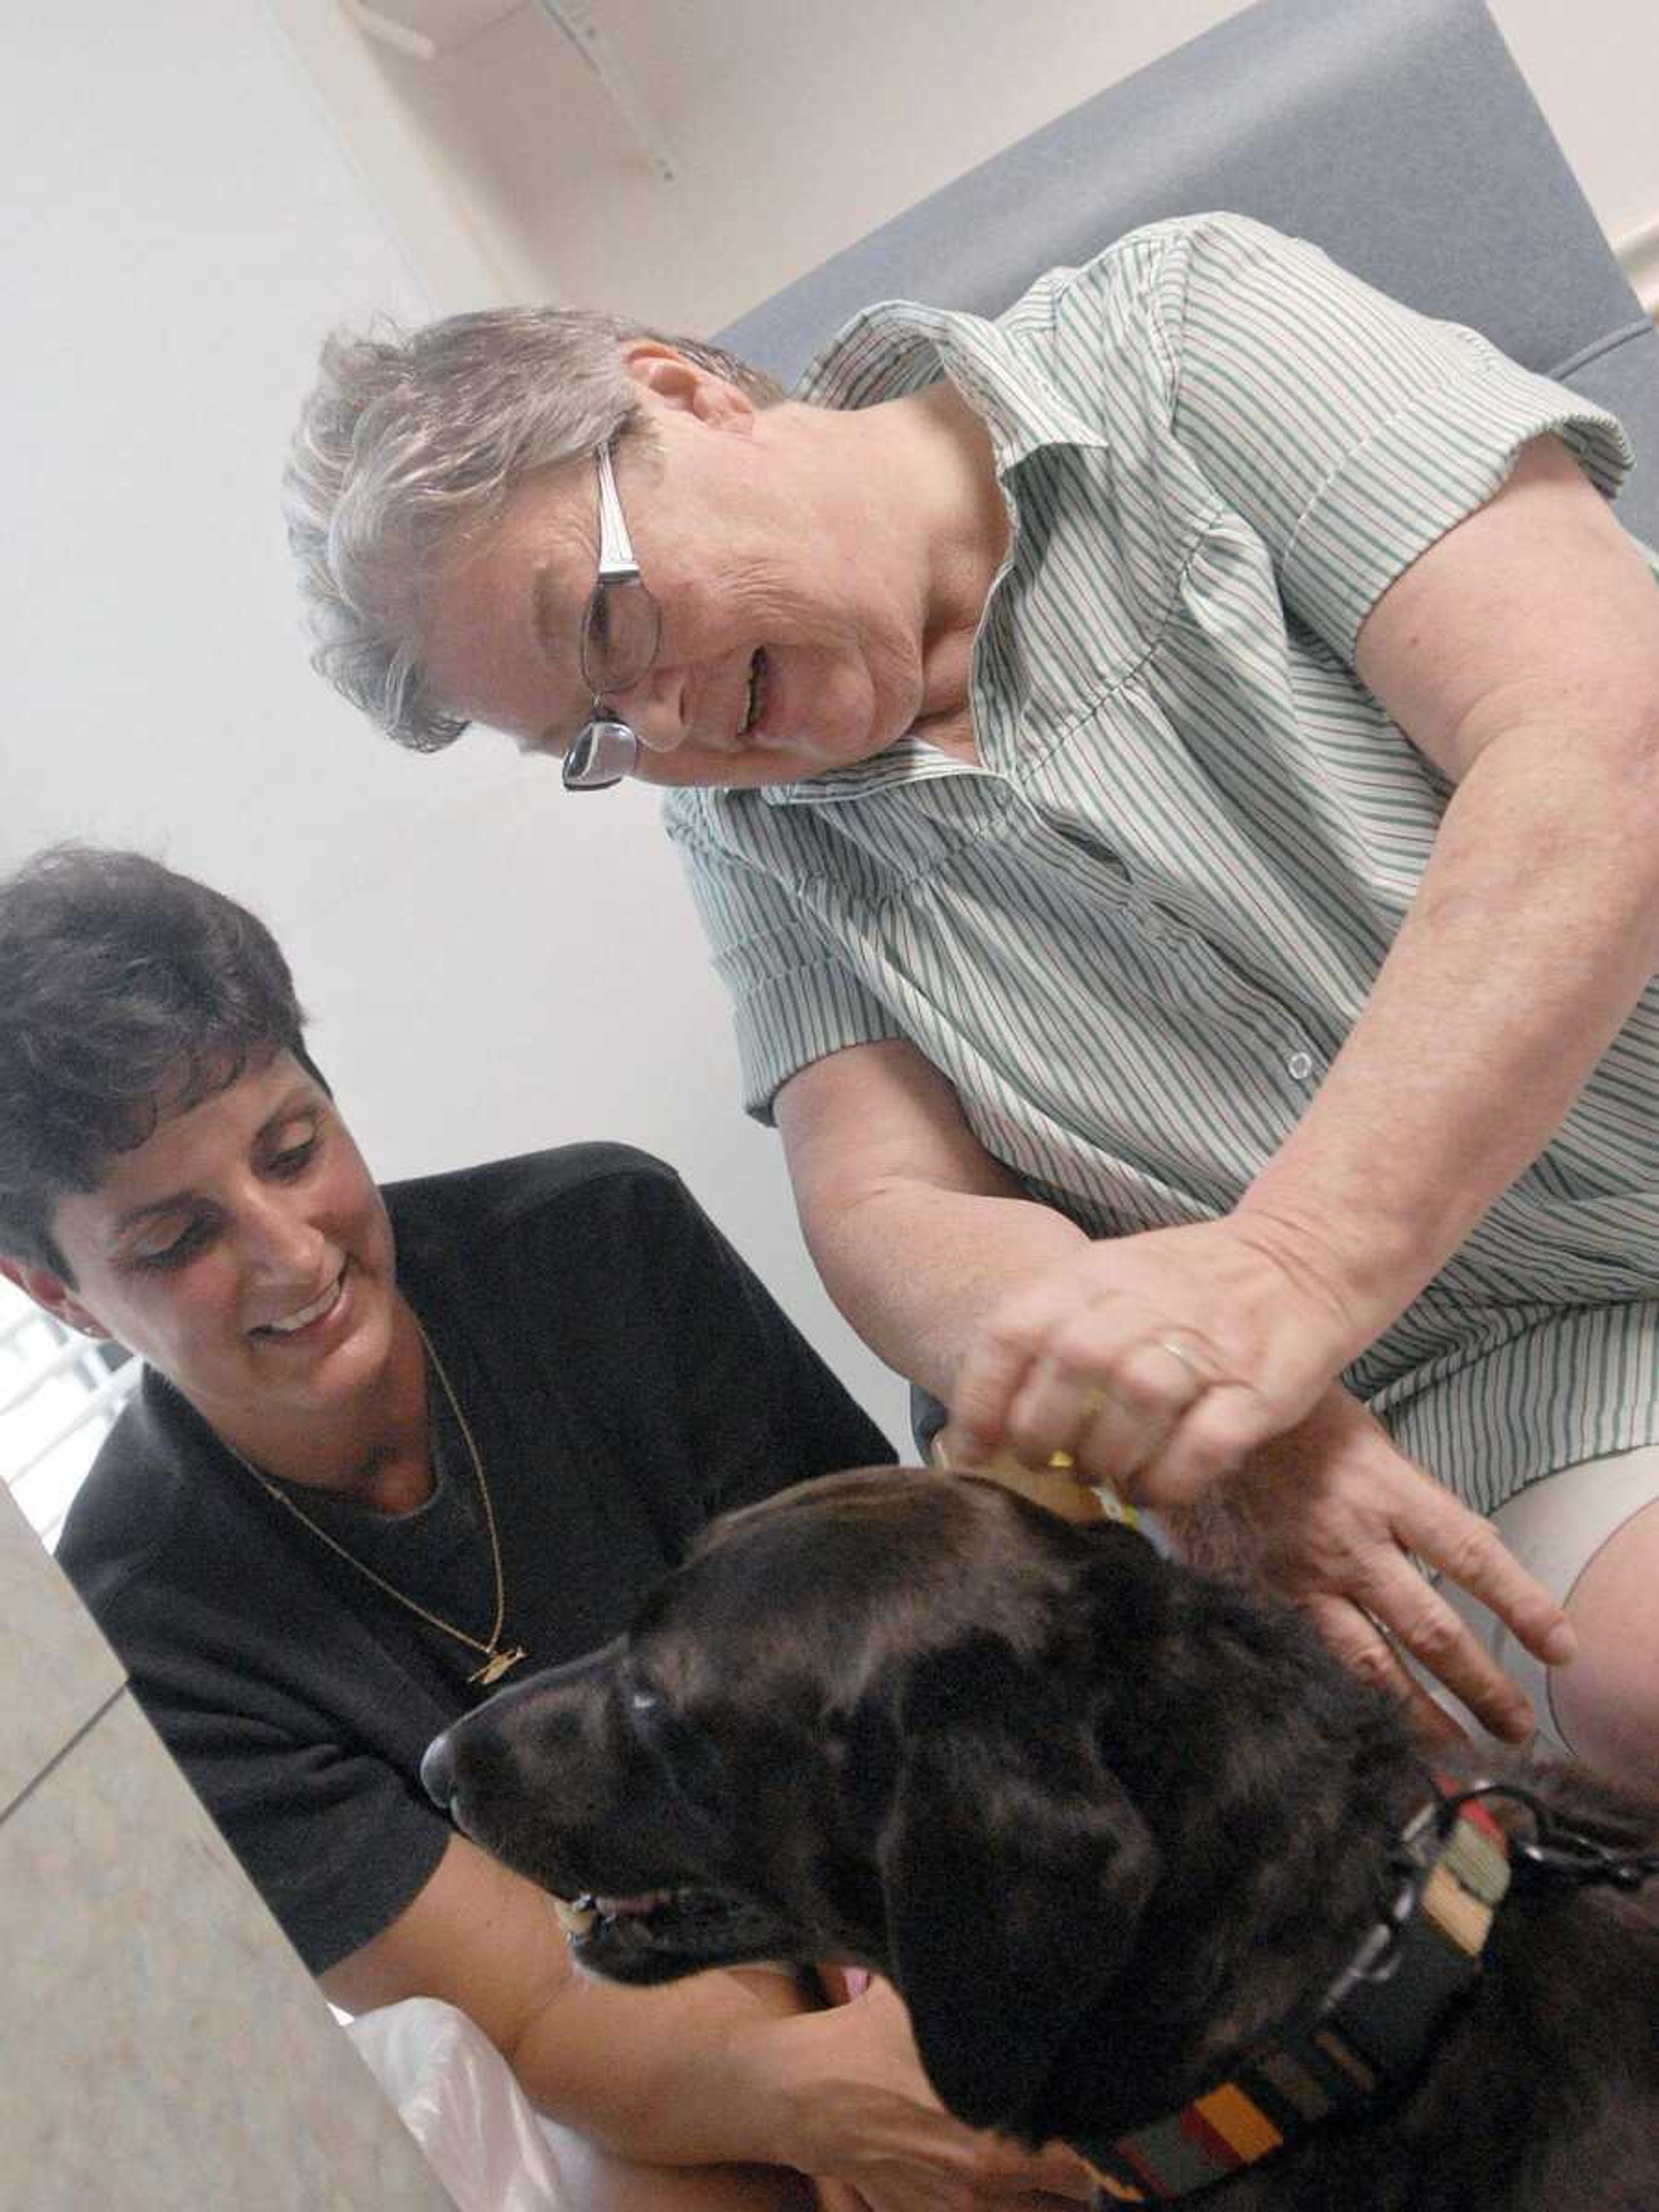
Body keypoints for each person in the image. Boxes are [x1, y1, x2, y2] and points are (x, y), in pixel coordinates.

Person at [284, 211, 1659, 1793]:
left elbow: (1593, 735)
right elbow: (884, 1203)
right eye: (588, 735)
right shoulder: (743, 828)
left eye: (608, 624)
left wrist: (1283, 1273)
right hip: (1493, 1394)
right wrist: (1162, 1395)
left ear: (678, 395)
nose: (659, 721)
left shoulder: (1184, 338)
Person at [0, 845, 1096, 2212]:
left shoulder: (601, 1239)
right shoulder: (146, 1632)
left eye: (296, 1151)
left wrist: (891, 2016)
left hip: (876, 1844)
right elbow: (530, 2008)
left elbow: (879, 1664)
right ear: (62, 1296)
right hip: (632, 2039)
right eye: (177, 1240)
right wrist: (830, 2105)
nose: (292, 1254)